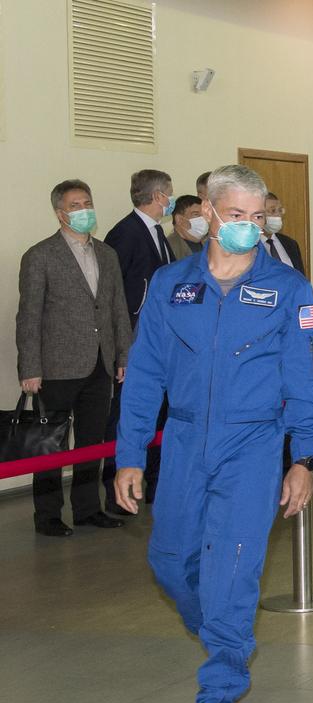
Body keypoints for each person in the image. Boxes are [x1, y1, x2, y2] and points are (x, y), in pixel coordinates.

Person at [114, 164, 313, 703]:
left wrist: (303, 458)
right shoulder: (170, 285)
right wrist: (129, 454)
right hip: (183, 444)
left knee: (232, 571)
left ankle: (215, 699)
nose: (249, 228)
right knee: (170, 561)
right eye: (237, 216)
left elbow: (308, 380)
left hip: (253, 446)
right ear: (207, 214)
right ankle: (222, 636)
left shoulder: (288, 290)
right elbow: (145, 377)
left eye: (257, 218)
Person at [16, 179, 132, 536]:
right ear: (60, 213)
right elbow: (29, 316)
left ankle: (87, 509)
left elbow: (117, 309)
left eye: (87, 202)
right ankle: (48, 515)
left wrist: (123, 355)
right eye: (75, 205)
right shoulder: (40, 255)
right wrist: (30, 368)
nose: (84, 210)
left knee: (91, 441)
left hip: (100, 363)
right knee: (50, 445)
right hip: (56, 367)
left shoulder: (106, 254)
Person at [103, 169, 175, 508]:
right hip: (134, 343)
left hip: (160, 341)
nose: (170, 199)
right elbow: (116, 298)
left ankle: (156, 485)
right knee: (124, 417)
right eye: (169, 193)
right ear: (159, 195)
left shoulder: (158, 233)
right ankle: (118, 490)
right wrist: (123, 352)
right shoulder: (126, 233)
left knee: (161, 417)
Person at [261, 192, 305, 276]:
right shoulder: (251, 246)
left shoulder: (290, 244)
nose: (278, 215)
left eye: (280, 210)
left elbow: (300, 277)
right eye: (272, 211)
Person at [168, 195, 208, 261]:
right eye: (196, 214)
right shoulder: (169, 248)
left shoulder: (207, 241)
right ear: (179, 219)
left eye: (204, 214)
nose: (203, 219)